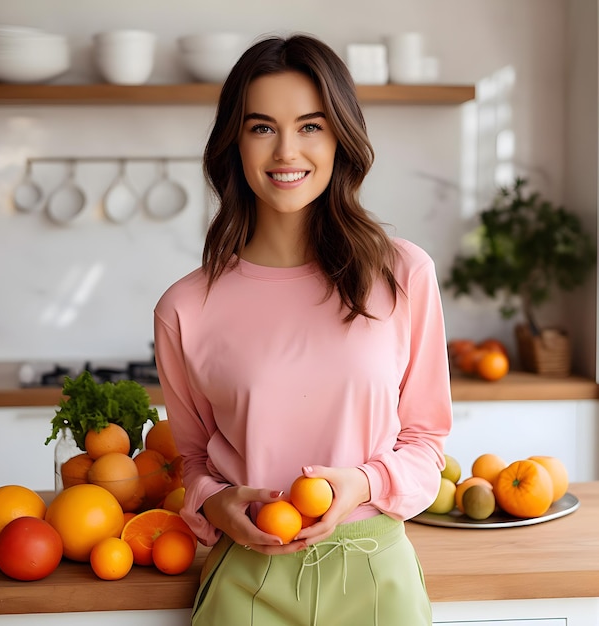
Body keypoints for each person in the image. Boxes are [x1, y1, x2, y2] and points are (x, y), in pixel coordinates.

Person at [154, 33, 452, 626]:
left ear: (341, 137)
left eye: (311, 126)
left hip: (375, 575)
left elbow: (426, 444)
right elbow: (190, 463)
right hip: (246, 582)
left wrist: (362, 485)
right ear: (234, 144)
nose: (287, 150)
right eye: (262, 127)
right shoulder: (185, 308)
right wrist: (217, 504)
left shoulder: (402, 275)